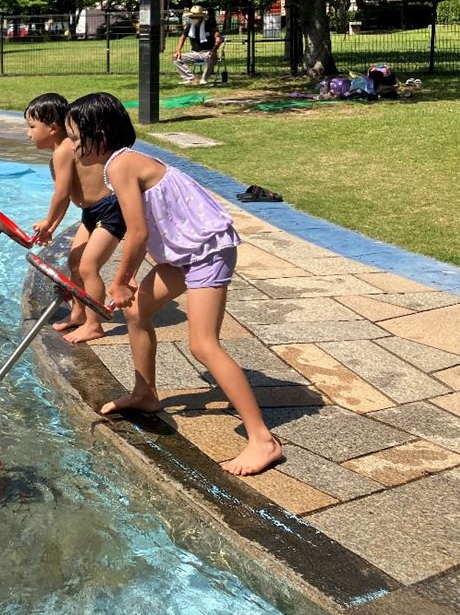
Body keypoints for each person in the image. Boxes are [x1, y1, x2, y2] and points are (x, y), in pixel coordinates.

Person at [69, 92, 283, 476]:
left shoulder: (120, 165)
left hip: (207, 252)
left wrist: (119, 281)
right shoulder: (121, 163)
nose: (72, 146)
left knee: (202, 345)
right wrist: (131, 279)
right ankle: (145, 394)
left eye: (75, 137)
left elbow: (136, 232)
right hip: (184, 255)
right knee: (137, 311)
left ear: (98, 134)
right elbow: (150, 226)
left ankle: (263, 440)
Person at [24, 92, 124, 344]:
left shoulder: (65, 150)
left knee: (88, 267)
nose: (28, 133)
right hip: (91, 213)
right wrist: (51, 229)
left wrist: (48, 222)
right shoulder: (62, 152)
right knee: (74, 262)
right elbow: (68, 196)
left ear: (53, 128)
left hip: (110, 209)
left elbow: (60, 194)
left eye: (32, 127)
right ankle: (79, 313)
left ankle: (94, 324)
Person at [173, 5, 223, 84]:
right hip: (195, 52)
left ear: (200, 17)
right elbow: (182, 37)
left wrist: (214, 50)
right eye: (191, 17)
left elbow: (218, 38)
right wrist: (178, 51)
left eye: (194, 17)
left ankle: (204, 79)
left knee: (211, 58)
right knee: (176, 58)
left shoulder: (209, 25)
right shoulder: (190, 26)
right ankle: (190, 79)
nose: (192, 19)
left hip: (208, 52)